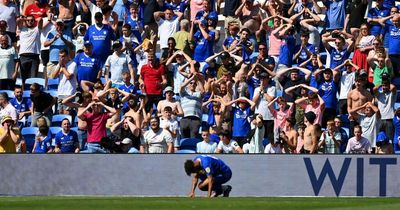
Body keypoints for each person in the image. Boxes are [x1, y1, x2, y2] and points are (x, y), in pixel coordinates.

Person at [51, 49, 77, 115]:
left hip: (69, 92)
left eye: (63, 56)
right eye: (60, 56)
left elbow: (69, 77)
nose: (61, 58)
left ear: (68, 56)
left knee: (67, 114)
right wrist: (60, 66)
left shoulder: (73, 64)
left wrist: (63, 67)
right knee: (60, 113)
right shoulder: (59, 65)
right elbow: (53, 76)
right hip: (60, 92)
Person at [180, 74, 204, 138]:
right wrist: (192, 78)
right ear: (188, 85)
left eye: (194, 84)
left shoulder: (198, 94)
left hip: (195, 119)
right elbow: (182, 87)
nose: (193, 84)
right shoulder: (184, 93)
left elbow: (203, 91)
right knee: (184, 140)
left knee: (193, 139)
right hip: (185, 118)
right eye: (191, 83)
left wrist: (197, 79)